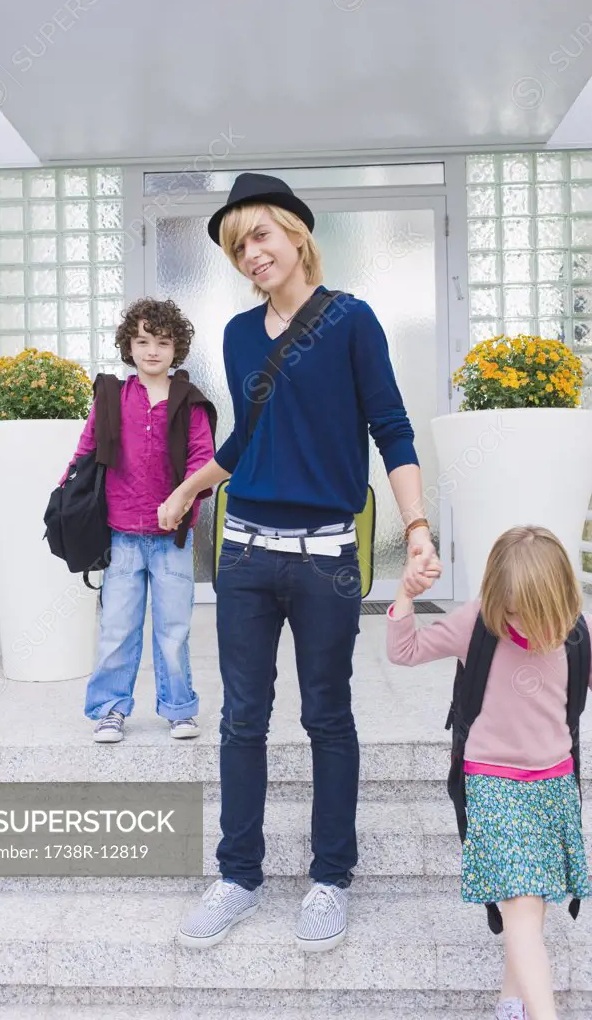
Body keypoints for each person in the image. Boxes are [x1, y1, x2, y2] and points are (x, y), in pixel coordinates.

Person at [158, 172, 441, 951]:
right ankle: (238, 874)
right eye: (235, 245)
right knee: (241, 720)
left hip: (325, 561)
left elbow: (391, 427)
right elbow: (245, 442)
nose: (249, 254)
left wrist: (415, 525)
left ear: (294, 233)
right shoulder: (239, 335)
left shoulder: (352, 320)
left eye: (259, 236)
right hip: (244, 554)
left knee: (327, 717)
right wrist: (188, 488)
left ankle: (328, 878)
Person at [387, 525, 591, 1020]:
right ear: (498, 596)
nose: (528, 625)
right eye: (516, 611)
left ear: (560, 599)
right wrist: (405, 595)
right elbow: (403, 651)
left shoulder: (577, 633)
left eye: (538, 613)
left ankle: (509, 1002)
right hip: (493, 784)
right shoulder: (476, 624)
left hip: (555, 784)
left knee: (531, 904)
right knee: (521, 903)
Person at [62, 298, 216, 743]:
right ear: (129, 345)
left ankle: (179, 710)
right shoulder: (111, 396)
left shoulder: (191, 402)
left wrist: (182, 501)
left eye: (163, 342)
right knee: (117, 629)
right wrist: (65, 495)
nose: (152, 350)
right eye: (143, 340)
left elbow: (203, 461)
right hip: (122, 537)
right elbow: (85, 450)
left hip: (173, 540)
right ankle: (110, 710)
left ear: (177, 348)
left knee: (173, 630)